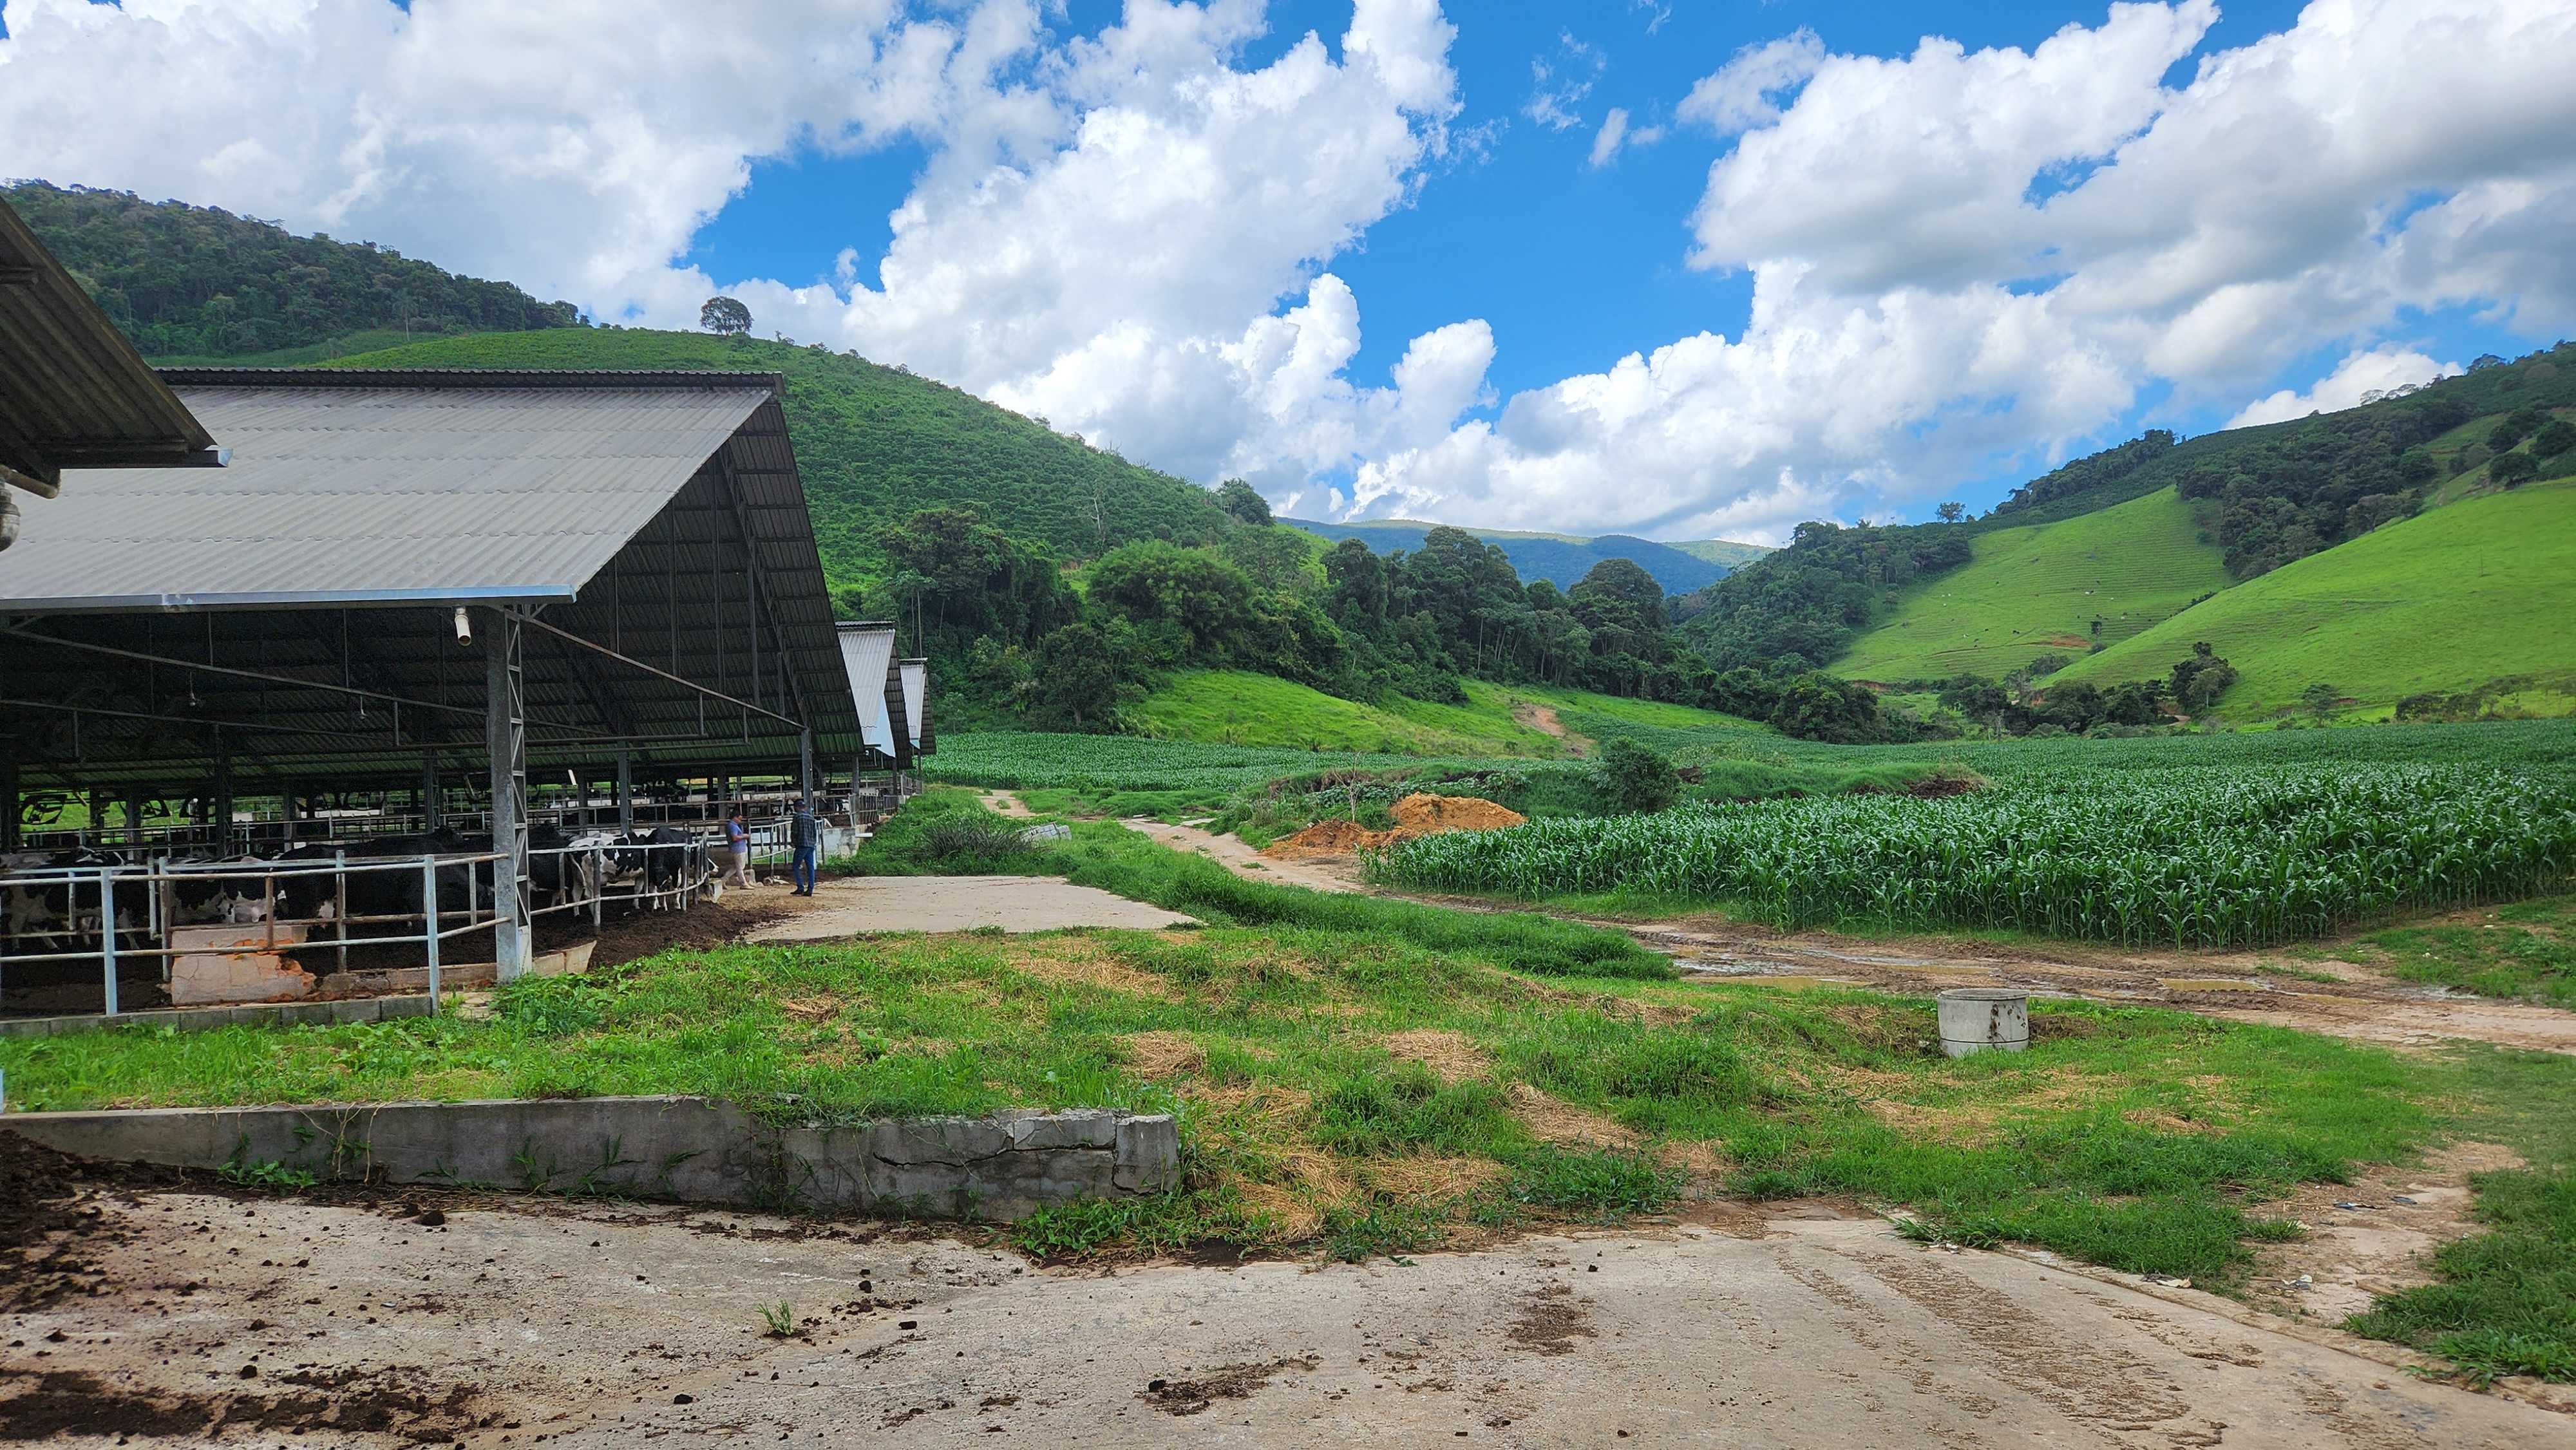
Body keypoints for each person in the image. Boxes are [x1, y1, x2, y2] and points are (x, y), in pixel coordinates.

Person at [790, 798, 819, 896]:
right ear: (804, 807)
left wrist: (793, 842)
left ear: (797, 808)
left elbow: (795, 831)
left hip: (802, 844)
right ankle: (810, 888)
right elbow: (814, 832)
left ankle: (800, 887)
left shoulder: (797, 817)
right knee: (810, 867)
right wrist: (813, 842)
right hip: (811, 844)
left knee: (796, 866)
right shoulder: (811, 817)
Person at [723, 812, 753, 889]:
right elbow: (735, 838)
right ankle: (743, 884)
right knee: (740, 868)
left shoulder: (732, 825)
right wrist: (744, 836)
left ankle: (723, 881)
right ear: (735, 818)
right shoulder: (732, 826)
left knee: (736, 867)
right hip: (737, 849)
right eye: (739, 819)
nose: (740, 821)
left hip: (737, 848)